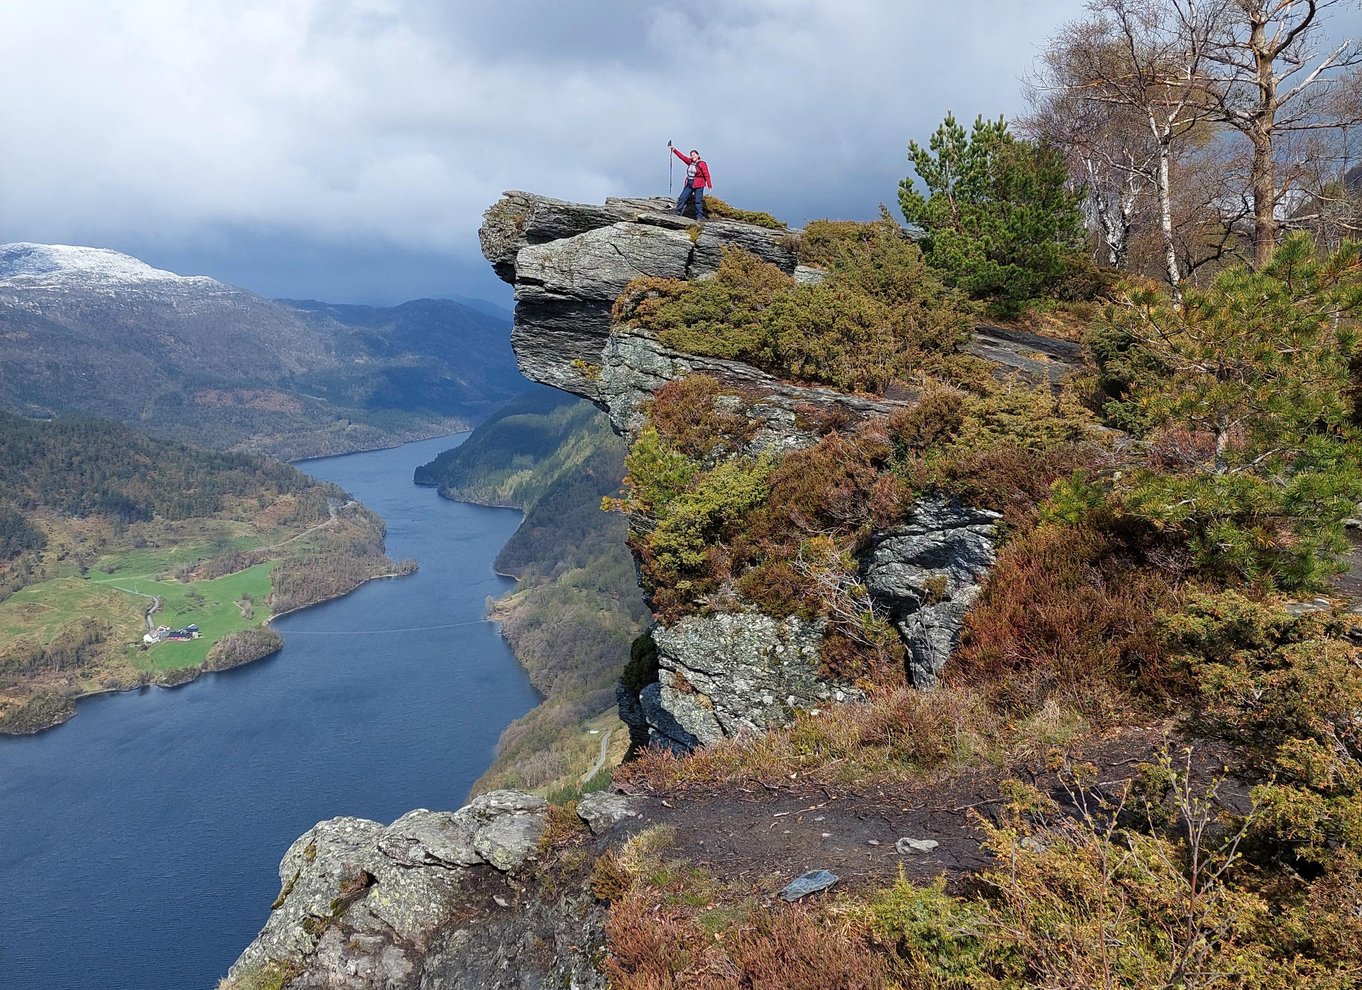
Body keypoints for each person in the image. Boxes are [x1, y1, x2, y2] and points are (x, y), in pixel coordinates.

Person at [670, 141, 712, 220]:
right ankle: (677, 213)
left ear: (698, 155)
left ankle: (699, 216)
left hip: (699, 184)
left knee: (698, 201)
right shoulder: (690, 162)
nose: (693, 156)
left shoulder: (702, 163)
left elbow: (707, 174)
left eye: (694, 154)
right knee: (682, 197)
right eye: (691, 155)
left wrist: (709, 185)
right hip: (689, 183)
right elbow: (681, 156)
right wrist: (674, 149)